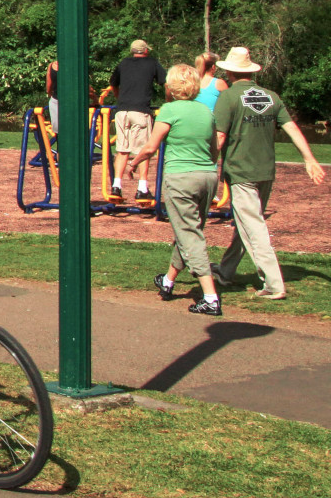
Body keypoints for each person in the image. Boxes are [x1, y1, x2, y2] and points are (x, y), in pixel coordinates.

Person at [212, 47, 325, 300]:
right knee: (247, 223)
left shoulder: (228, 98)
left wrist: (207, 164)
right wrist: (309, 158)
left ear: (229, 71)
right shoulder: (272, 96)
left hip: (241, 172)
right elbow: (291, 127)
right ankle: (226, 271)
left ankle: (273, 283)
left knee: (254, 227)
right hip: (265, 171)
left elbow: (219, 136)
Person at [127, 64, 221, 315]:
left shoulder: (169, 110)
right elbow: (214, 150)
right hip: (208, 176)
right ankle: (168, 281)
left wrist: (133, 163)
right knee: (190, 229)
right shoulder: (205, 111)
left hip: (181, 177)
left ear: (171, 87)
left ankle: (210, 297)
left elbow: (150, 147)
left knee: (190, 234)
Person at [108, 39, 166, 204]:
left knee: (122, 150)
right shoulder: (151, 63)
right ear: (145, 51)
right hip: (140, 110)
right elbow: (165, 82)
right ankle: (142, 188)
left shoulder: (123, 63)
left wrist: (120, 99)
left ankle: (116, 186)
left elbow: (113, 84)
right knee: (143, 150)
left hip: (122, 111)